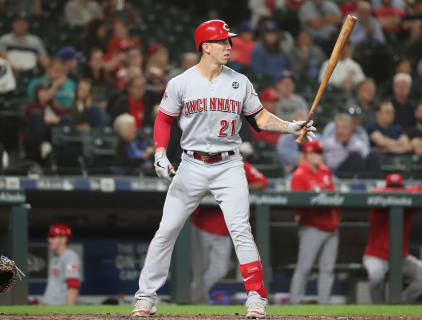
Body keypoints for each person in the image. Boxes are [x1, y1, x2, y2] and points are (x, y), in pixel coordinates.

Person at [131, 19, 316, 318]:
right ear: (205, 47)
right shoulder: (181, 82)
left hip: (229, 163)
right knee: (167, 229)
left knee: (240, 229)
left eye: (229, 41)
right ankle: (145, 297)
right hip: (191, 163)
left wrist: (291, 126)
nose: (229, 46)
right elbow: (164, 119)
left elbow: (260, 119)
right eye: (222, 42)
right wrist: (161, 153)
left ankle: (256, 297)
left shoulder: (239, 82)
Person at [191, 161, 268, 304]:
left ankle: (193, 295)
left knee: (221, 268)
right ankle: (198, 298)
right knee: (198, 268)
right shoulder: (205, 163)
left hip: (224, 229)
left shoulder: (240, 165)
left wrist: (237, 188)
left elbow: (262, 183)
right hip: (201, 225)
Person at [363, 174, 422, 304]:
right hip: (375, 256)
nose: (394, 192)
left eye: (397, 188)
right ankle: (378, 312)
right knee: (376, 277)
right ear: (386, 187)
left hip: (401, 257)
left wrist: (406, 192)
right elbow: (376, 191)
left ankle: (399, 304)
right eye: (391, 188)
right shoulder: (377, 200)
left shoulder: (408, 202)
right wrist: (398, 193)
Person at [289, 140, 340, 304]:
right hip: (312, 227)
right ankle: (294, 304)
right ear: (307, 155)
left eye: (320, 152)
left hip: (331, 226)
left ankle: (324, 305)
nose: (320, 156)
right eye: (316, 153)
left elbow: (333, 196)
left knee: (328, 268)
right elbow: (297, 205)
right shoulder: (299, 175)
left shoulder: (325, 171)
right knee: (305, 268)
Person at [323, 113, 381, 177]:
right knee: (355, 156)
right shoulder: (328, 144)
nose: (340, 131)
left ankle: (378, 182)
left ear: (351, 130)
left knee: (373, 155)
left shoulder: (358, 144)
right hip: (337, 174)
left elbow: (366, 158)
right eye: (337, 128)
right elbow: (330, 165)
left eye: (344, 128)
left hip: (356, 173)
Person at [24, 83, 65, 165]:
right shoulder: (31, 107)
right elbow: (29, 122)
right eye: (43, 91)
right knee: (36, 116)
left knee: (66, 120)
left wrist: (55, 119)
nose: (46, 93)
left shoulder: (54, 108)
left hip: (52, 137)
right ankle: (43, 145)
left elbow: (63, 117)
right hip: (34, 140)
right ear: (37, 93)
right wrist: (46, 119)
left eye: (47, 91)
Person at [43, 224, 81, 305]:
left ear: (63, 239)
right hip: (49, 305)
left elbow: (73, 285)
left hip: (59, 307)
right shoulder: (55, 258)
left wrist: (68, 312)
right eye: (49, 237)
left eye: (53, 237)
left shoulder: (70, 256)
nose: (49, 240)